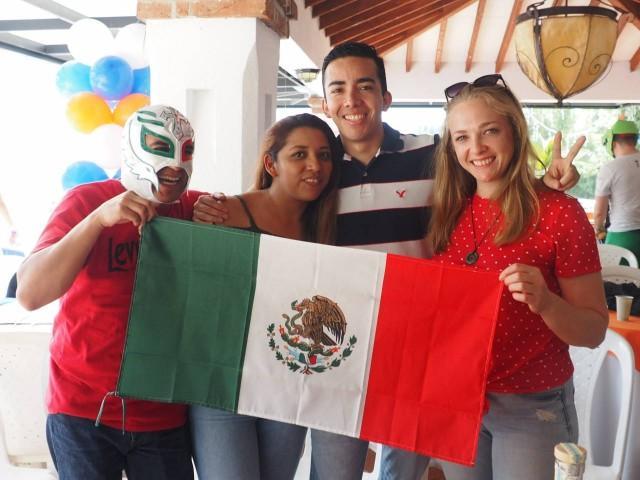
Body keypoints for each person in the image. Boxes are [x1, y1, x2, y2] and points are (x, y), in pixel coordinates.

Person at [195, 42, 583, 480]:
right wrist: (219, 208)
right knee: (336, 471)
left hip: (418, 356)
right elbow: (275, 211)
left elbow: (488, 174)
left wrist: (543, 182)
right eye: (338, 89)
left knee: (400, 474)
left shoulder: (433, 154)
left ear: (385, 97)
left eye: (365, 86)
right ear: (325, 102)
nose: (352, 100)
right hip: (338, 354)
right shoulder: (318, 170)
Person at [427, 74, 608, 480]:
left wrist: (546, 302)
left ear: (515, 131)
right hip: (459, 398)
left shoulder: (560, 213)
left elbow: (594, 330)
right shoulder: (447, 210)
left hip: (533, 405)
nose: (476, 148)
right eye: (461, 137)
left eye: (490, 131)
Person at [17, 105, 200, 480]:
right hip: (83, 410)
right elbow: (30, 292)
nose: (172, 170)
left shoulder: (194, 209)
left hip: (162, 412)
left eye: (182, 157)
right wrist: (97, 220)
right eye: (162, 154)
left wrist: (227, 216)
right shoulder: (86, 201)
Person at [190, 113, 340, 480]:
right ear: (271, 163)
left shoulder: (324, 227)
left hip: (286, 386)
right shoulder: (224, 213)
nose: (315, 166)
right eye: (299, 155)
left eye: (323, 155)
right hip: (222, 385)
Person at [594, 116, 640, 262]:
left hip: (623, 236)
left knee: (616, 281)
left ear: (612, 142)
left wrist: (599, 229)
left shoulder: (610, 169)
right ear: (635, 139)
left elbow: (599, 213)